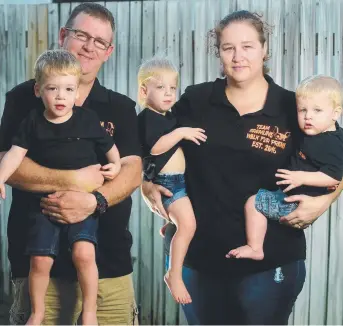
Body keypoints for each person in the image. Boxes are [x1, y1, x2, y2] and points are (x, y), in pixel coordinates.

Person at [141, 10, 343, 325]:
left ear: (264, 49)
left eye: (248, 46)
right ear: (219, 53)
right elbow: (150, 138)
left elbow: (336, 158)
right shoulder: (197, 100)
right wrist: (146, 182)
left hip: (272, 260)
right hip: (199, 258)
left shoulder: (293, 107)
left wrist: (327, 198)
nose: (238, 57)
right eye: (228, 47)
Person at [0, 3, 141, 325]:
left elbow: (132, 170)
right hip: (36, 259)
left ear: (109, 52)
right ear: (63, 36)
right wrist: (75, 181)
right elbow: (7, 161)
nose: (89, 47)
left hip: (108, 264)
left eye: (100, 42)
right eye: (81, 35)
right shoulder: (23, 99)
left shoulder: (119, 107)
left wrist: (94, 200)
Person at [228, 75, 343, 260]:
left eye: (317, 110)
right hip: (294, 198)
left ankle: (255, 247)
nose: (308, 116)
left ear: (335, 113)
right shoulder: (329, 134)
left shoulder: (327, 144)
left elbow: (335, 177)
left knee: (253, 203)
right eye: (302, 110)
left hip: (295, 204)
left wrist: (301, 178)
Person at [137, 57, 206, 304]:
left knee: (183, 223)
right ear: (144, 91)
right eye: (160, 88)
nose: (168, 94)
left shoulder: (166, 116)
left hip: (178, 181)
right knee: (189, 226)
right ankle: (173, 274)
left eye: (172, 88)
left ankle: (171, 228)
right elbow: (154, 148)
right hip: (168, 184)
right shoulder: (147, 118)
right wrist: (181, 133)